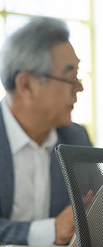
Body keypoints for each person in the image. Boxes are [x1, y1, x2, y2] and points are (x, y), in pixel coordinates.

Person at [0, 17, 92, 246]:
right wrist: (50, 231)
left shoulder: (76, 139)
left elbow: (96, 215)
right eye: (70, 77)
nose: (79, 88)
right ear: (27, 85)